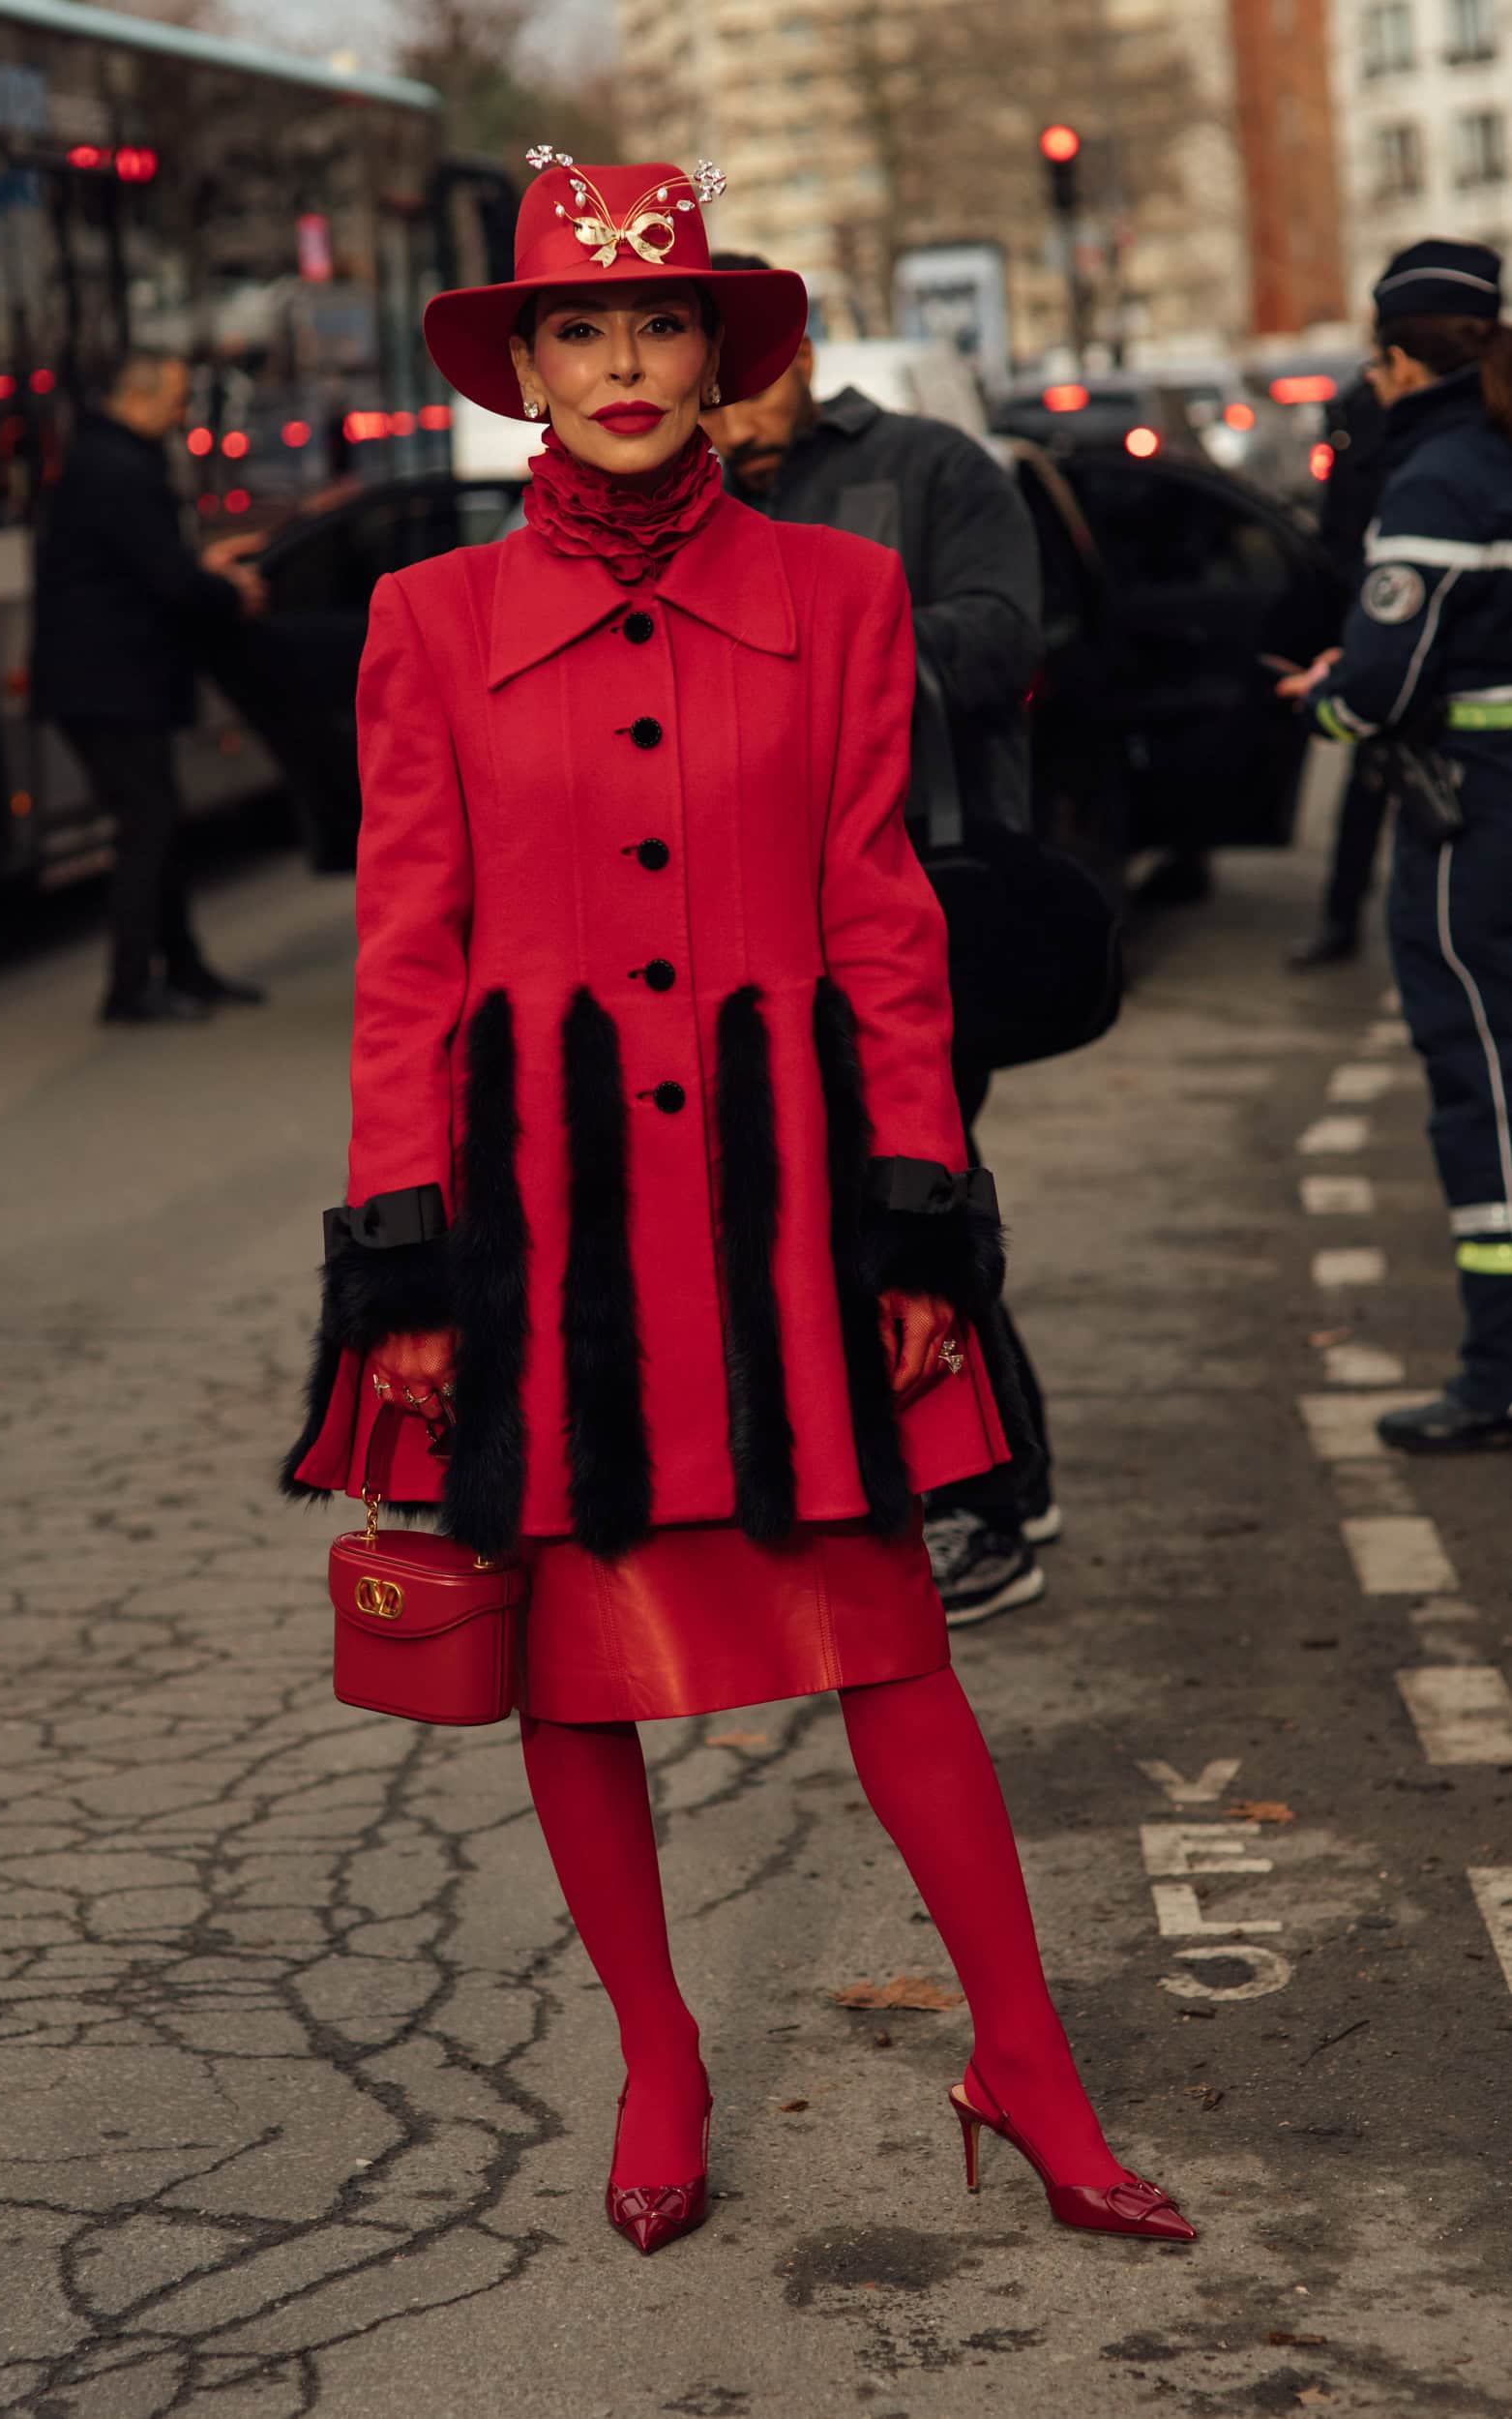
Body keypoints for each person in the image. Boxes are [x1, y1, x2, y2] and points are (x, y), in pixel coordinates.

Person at [282, 152, 1194, 2258]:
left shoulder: (845, 595)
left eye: (658, 322)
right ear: (523, 371)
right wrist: (397, 1251)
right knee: (571, 1662)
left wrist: (913, 1214)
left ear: (720, 360)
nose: (620, 362)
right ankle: (660, 2057)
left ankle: (1026, 2064)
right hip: (542, 1223)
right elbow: (405, 955)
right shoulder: (426, 624)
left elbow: (882, 923)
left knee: (892, 1645)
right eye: (578, 329)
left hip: (785, 1211)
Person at [699, 254, 1060, 1625]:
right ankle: (984, 1483)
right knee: (824, 1195)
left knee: (911, 1183)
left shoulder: (928, 463)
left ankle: (985, 1503)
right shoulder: (689, 495)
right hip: (757, 911)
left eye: (741, 381)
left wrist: (815, 646)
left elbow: (1002, 639)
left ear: (797, 359)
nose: (723, 414)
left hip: (922, 880)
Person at [1278, 240, 1512, 1450]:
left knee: (1481, 1088)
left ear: (1396, 361)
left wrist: (1323, 698)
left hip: (1472, 821)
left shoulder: (1437, 480)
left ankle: (1495, 1373)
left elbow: (1380, 683)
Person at [32, 350, 269, 1024]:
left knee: (156, 821)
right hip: (112, 684)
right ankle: (131, 986)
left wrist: (203, 572)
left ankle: (182, 971)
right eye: (175, 399)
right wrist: (229, 592)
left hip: (104, 683)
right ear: (137, 397)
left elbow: (141, 566)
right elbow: (165, 578)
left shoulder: (100, 461)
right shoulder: (121, 469)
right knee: (149, 826)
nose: (183, 412)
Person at [1288, 374, 1392, 970]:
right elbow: (1338, 524)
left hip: (1398, 633)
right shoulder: (1357, 407)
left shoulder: (1441, 444)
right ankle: (1342, 915)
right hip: (1365, 615)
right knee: (1366, 783)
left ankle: (1344, 916)